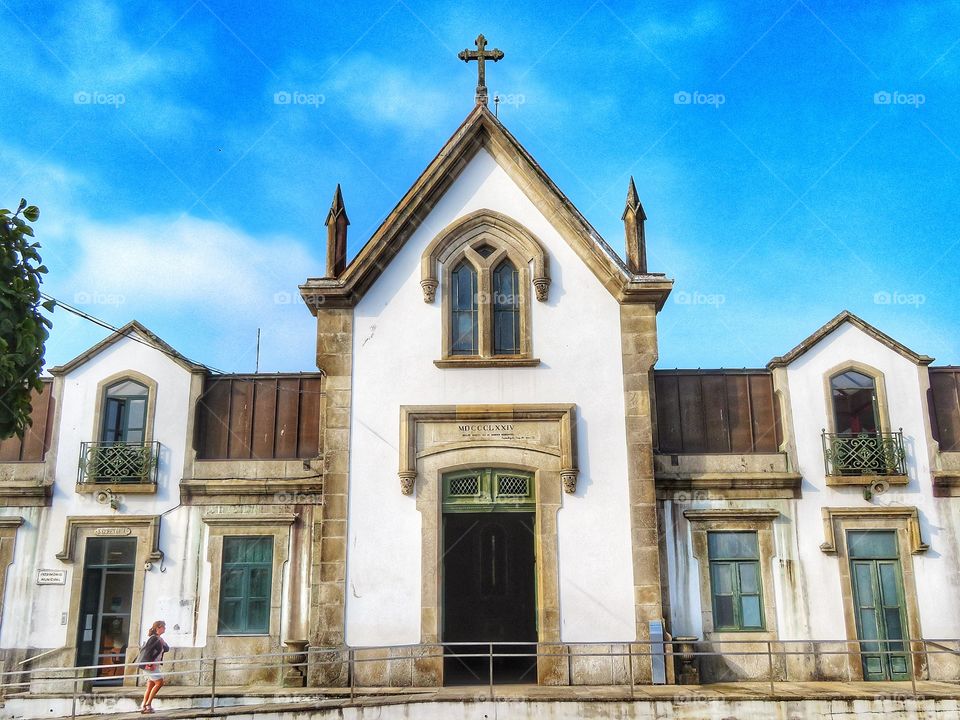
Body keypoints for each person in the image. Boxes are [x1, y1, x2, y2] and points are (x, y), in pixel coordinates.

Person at [136, 620, 169, 713]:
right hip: (151, 665)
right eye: (163, 626)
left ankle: (144, 705)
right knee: (159, 683)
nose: (165, 628)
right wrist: (149, 664)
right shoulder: (153, 638)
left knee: (150, 686)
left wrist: (163, 642)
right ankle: (148, 704)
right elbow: (148, 651)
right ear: (158, 628)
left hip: (155, 665)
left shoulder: (158, 638)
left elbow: (167, 649)